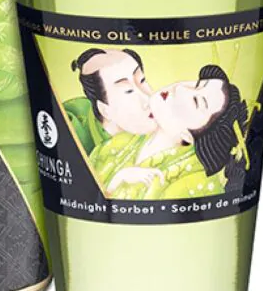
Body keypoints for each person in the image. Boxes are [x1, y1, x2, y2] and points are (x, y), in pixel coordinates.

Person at [91, 64, 249, 200]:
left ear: (189, 136)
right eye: (196, 84)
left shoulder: (194, 182)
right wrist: (119, 178)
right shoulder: (121, 142)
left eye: (196, 101)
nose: (180, 88)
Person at [64, 48, 157, 155]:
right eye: (128, 91)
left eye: (142, 80)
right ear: (104, 110)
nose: (147, 99)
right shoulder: (72, 130)